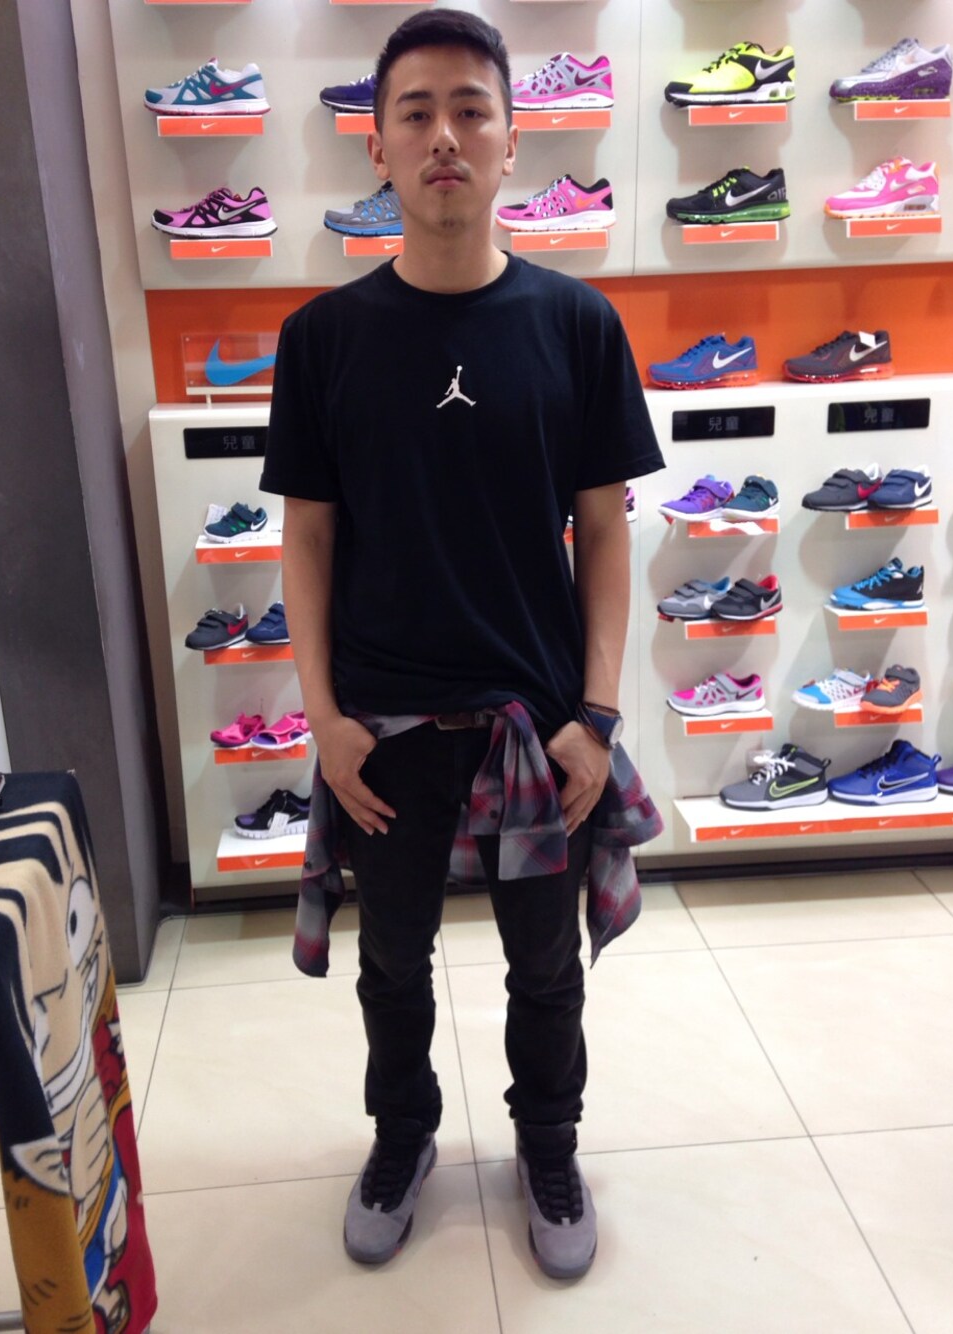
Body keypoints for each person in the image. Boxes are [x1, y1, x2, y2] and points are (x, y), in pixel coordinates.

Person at [261, 7, 664, 1279]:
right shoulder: (322, 339)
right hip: (380, 729)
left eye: (470, 110)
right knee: (393, 964)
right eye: (417, 111)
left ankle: (548, 1145)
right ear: (376, 146)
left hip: (537, 726)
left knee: (545, 966)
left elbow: (604, 529)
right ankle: (403, 1136)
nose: (445, 135)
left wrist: (596, 715)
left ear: (509, 143)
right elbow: (308, 538)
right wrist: (323, 717)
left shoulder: (577, 324)